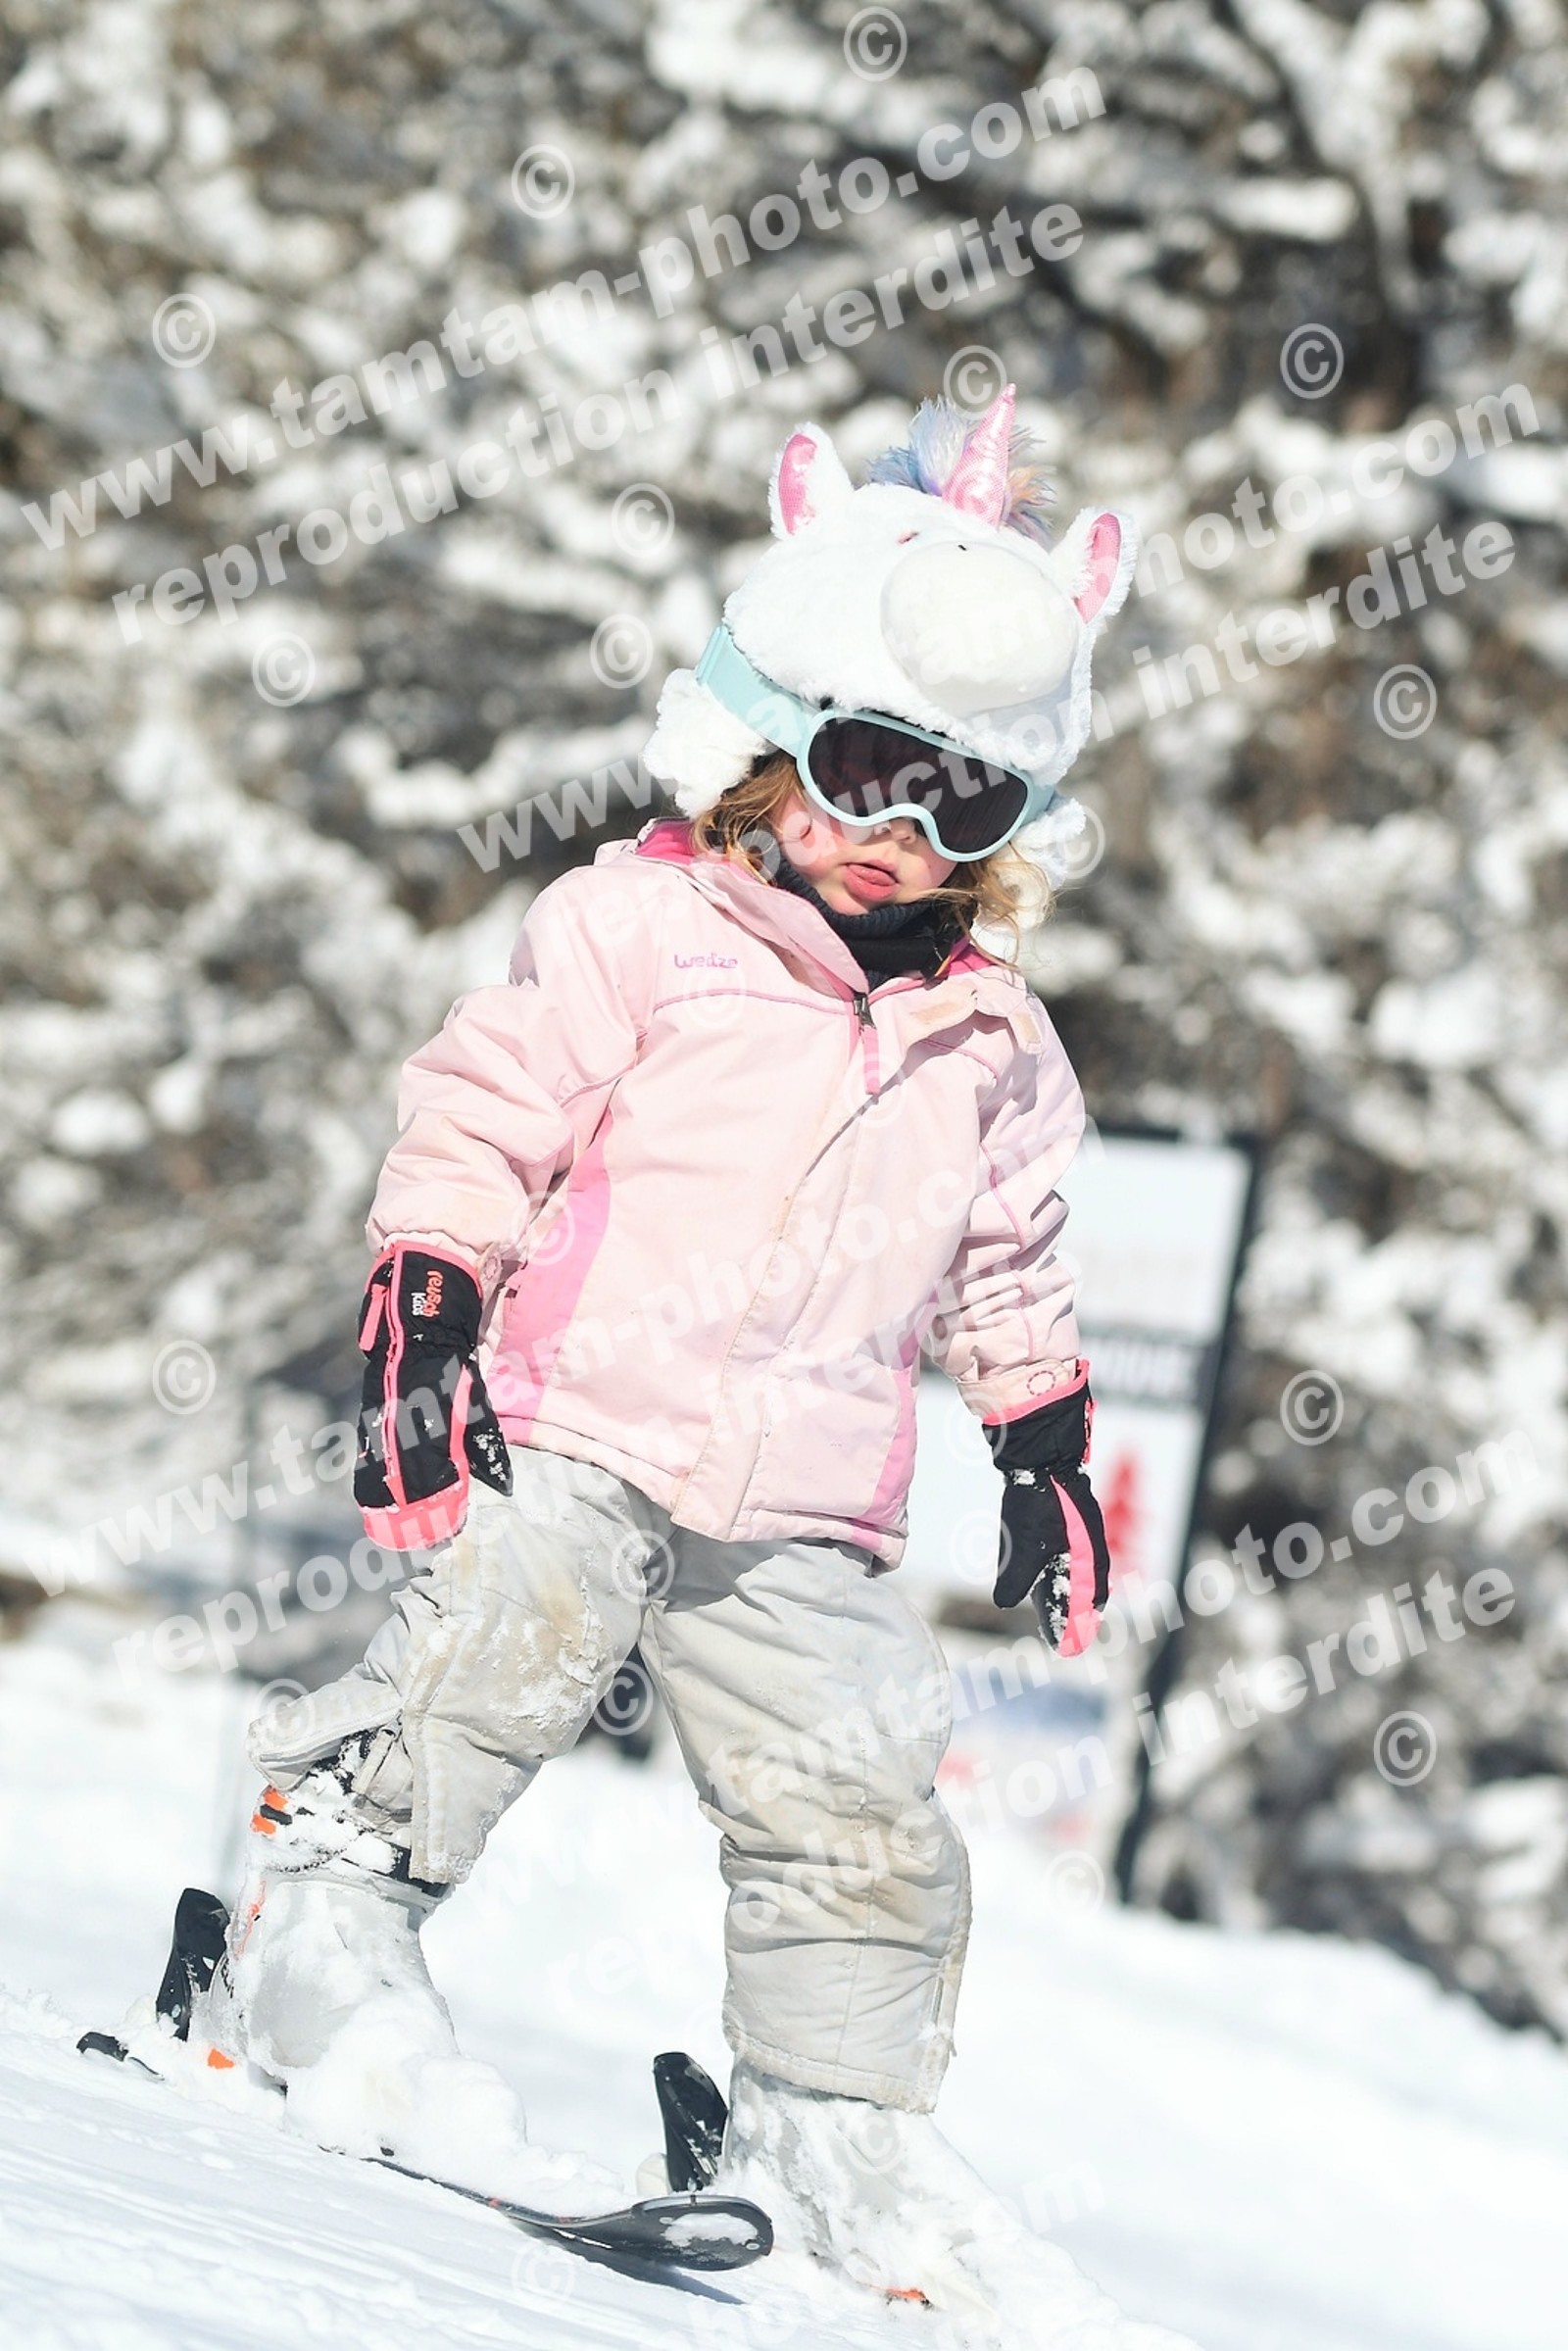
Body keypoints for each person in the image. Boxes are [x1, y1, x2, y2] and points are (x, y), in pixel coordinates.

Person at [201, 386, 1161, 2332]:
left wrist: (1045, 1441)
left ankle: (832, 2115)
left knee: (856, 1796)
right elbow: (487, 1109)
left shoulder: (996, 1043)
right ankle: (321, 1935)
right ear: (769, 741)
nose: (897, 836)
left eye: (961, 802)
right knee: (484, 1669)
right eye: (866, 771)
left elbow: (1006, 1264)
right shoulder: (640, 925)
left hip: (805, 1497)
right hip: (572, 1417)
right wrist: (429, 1292)